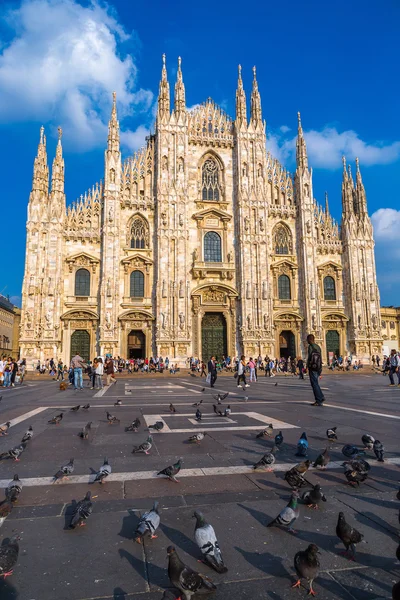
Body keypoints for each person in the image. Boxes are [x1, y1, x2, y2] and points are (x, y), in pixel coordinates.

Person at [306, 334, 325, 406]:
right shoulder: (318, 347)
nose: (307, 341)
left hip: (313, 367)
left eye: (307, 340)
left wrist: (307, 366)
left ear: (309, 340)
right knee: (316, 383)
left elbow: (310, 357)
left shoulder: (310, 347)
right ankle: (321, 397)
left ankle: (319, 400)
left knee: (314, 384)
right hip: (318, 366)